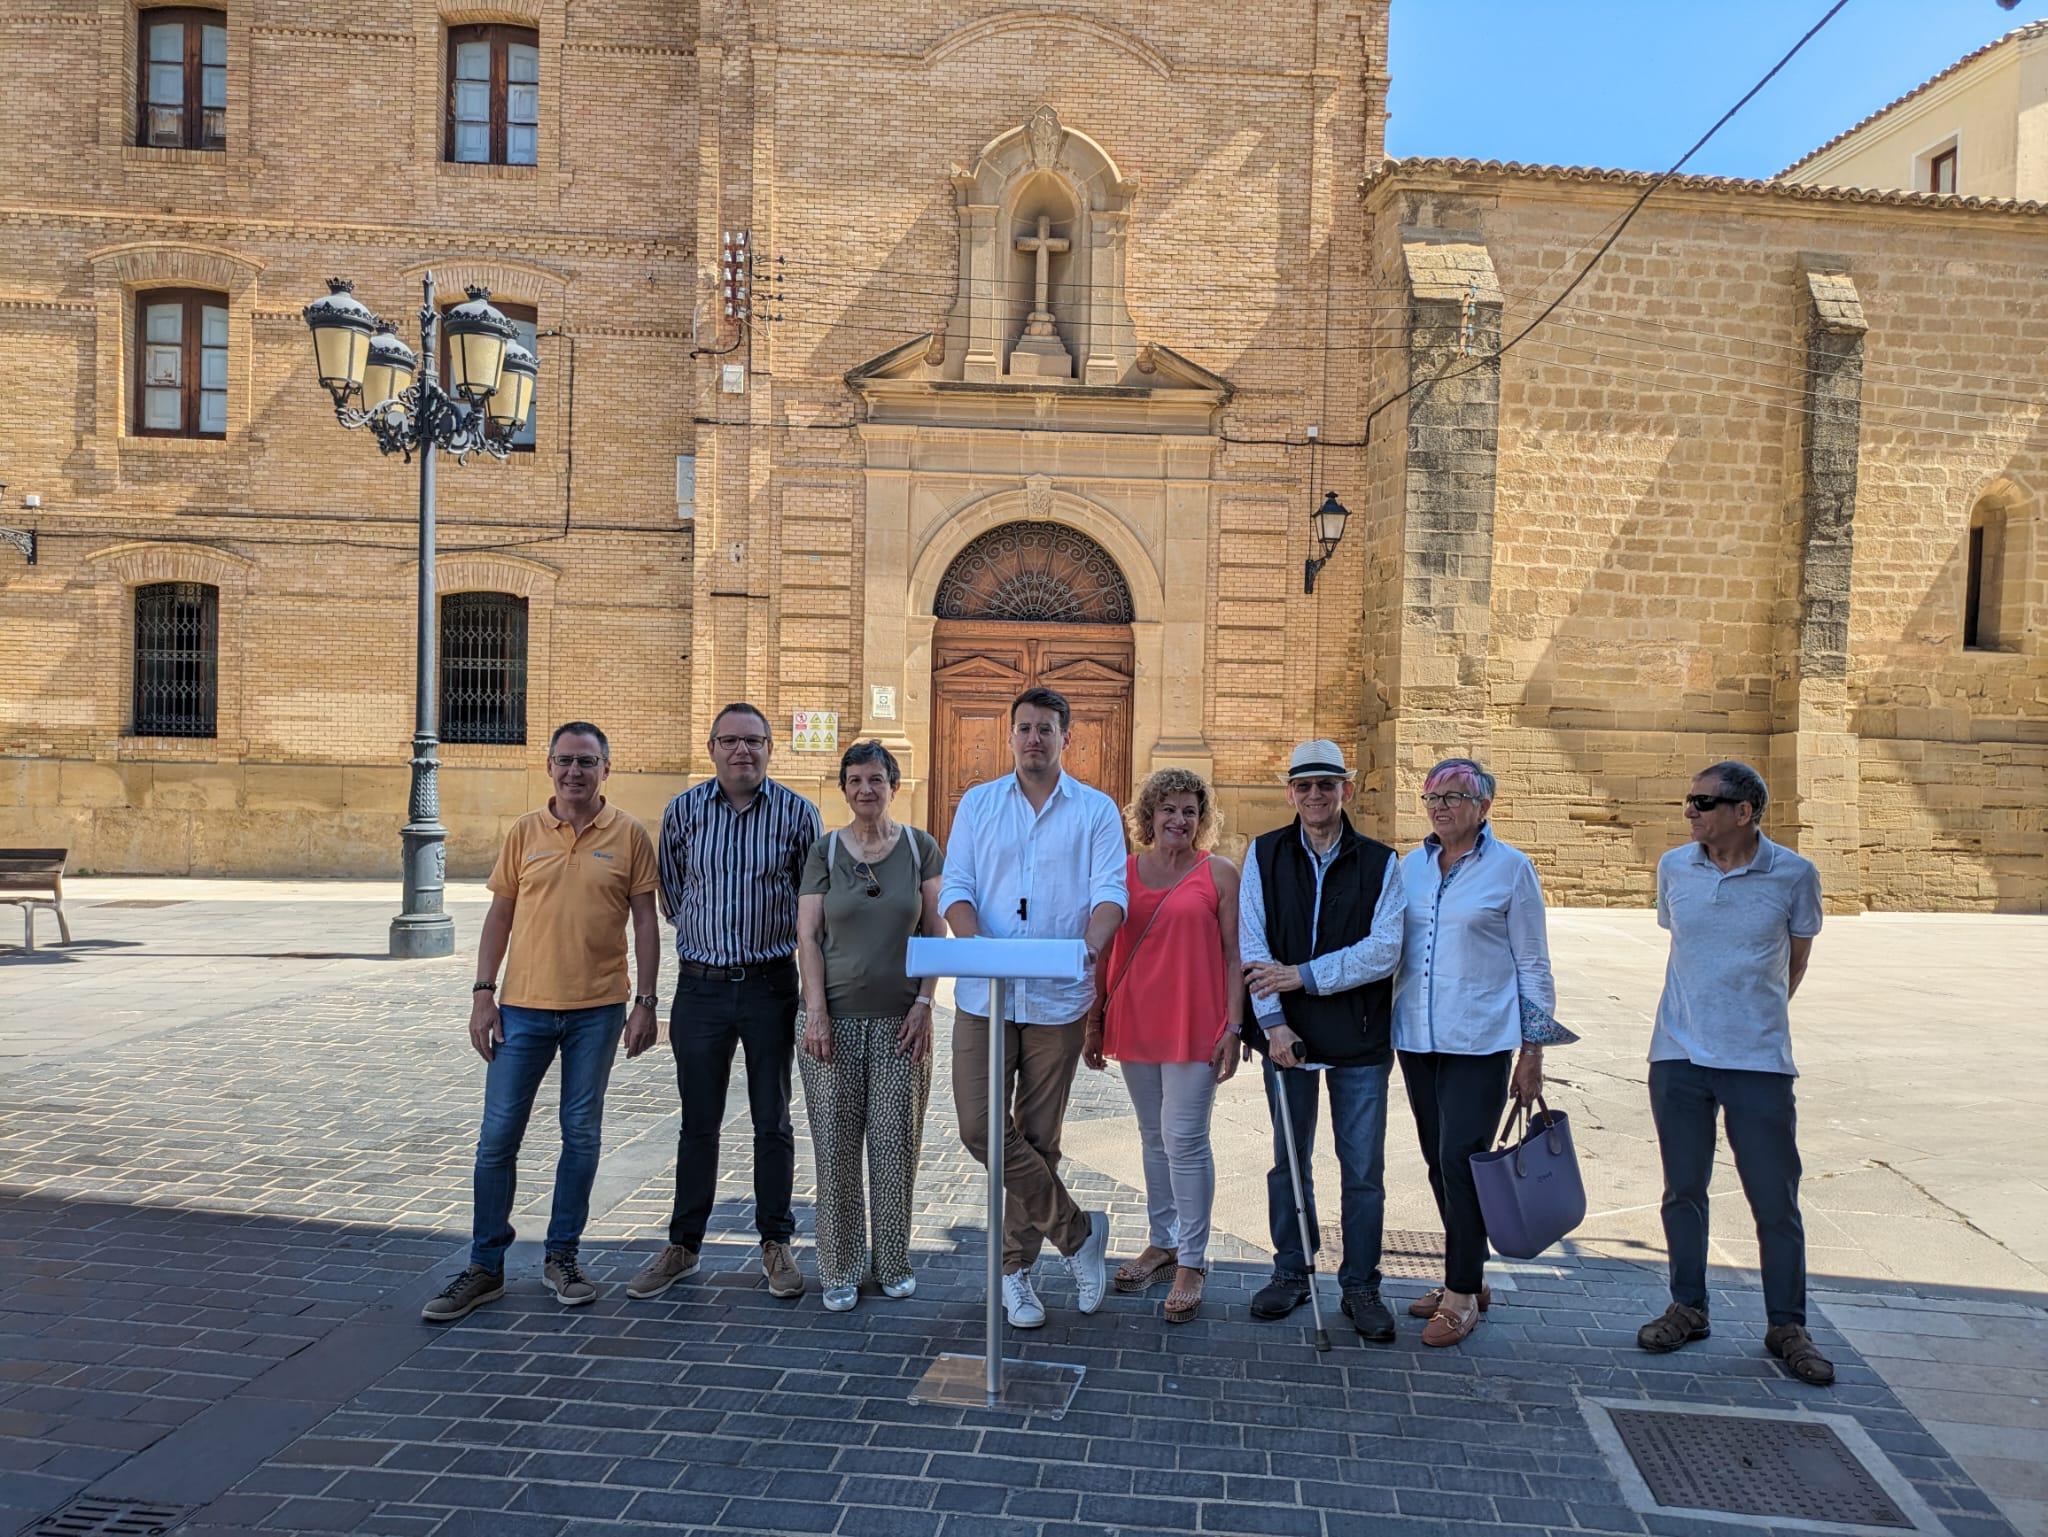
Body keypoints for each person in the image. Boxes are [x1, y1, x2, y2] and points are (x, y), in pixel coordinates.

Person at [424, 722, 661, 1322]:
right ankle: (485, 1266)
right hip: (522, 1011)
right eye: (564, 761)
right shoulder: (524, 833)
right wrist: (483, 994)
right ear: (549, 766)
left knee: (580, 1134)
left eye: (586, 761)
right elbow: (500, 917)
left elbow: (646, 925)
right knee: (497, 1139)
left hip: (599, 1011)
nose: (574, 772)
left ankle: (563, 1255)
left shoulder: (630, 835)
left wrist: (647, 1002)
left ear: (607, 769)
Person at [1637, 761, 1833, 1385]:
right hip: (1676, 1055)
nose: (1688, 811)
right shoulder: (1675, 868)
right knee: (1682, 1191)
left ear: (1744, 812)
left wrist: (1751, 1018)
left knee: (1775, 1198)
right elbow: (1682, 940)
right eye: (1688, 800)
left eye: (1702, 801)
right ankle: (1688, 1307)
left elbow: (1794, 963)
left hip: (1757, 1062)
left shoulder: (1794, 875)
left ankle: (1786, 1324)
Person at [939, 685, 1125, 1329]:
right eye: (1024, 728)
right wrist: (978, 945)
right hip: (984, 995)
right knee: (980, 1126)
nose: (1034, 739)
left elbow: (1109, 893)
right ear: (1009, 735)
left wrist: (1090, 948)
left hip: (1056, 998)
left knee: (1039, 1137)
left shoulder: (1096, 811)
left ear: (1065, 738)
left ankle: (1014, 1273)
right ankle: (1077, 1233)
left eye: (1046, 728)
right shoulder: (979, 804)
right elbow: (956, 886)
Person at [629, 703, 822, 1303]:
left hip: (769, 984)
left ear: (771, 748)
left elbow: (809, 902)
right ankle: (684, 1245)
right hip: (702, 987)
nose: (743, 751)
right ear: (712, 747)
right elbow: (675, 891)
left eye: (755, 741)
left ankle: (776, 1241)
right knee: (698, 1121)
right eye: (731, 741)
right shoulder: (683, 811)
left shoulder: (798, 814)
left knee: (774, 1119)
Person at [1240, 738, 1407, 1342]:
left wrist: (1306, 974)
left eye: (1326, 785)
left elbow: (1385, 951)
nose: (1315, 795)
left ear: (1347, 790)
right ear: (1290, 792)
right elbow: (1253, 948)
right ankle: (1291, 1270)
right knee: (1290, 1162)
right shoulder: (1262, 855)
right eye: (1304, 785)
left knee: (1362, 1169)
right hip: (1289, 1038)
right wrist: (1272, 1021)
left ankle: (1361, 1284)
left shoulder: (1382, 862)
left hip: (1360, 1040)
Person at [1391, 757, 1555, 1347]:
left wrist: (1532, 1049)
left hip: (1479, 1040)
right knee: (1438, 1161)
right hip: (1416, 1035)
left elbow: (1532, 962)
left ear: (1484, 806)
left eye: (1455, 796)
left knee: (1462, 1160)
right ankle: (1469, 1274)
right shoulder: (1409, 868)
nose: (1441, 806)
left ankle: (1461, 1294)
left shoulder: (1512, 870)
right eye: (1432, 795)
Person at [1083, 768, 1242, 1323]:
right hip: (1136, 1018)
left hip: (1197, 1022)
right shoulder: (1121, 873)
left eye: (1189, 811)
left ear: (1203, 819)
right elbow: (1103, 953)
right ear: (1149, 815)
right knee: (1153, 1137)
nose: (1178, 820)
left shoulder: (1219, 874)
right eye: (1168, 809)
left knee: (1185, 1139)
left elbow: (1233, 957)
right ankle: (1164, 1238)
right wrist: (1093, 1021)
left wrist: (1234, 1026)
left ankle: (1193, 1259)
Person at [795, 740, 945, 1312]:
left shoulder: (920, 847)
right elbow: (808, 934)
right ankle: (838, 1266)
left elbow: (936, 933)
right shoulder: (825, 849)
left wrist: (925, 1004)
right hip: (829, 1026)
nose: (865, 790)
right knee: (835, 1150)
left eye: (876, 780)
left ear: (894, 786)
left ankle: (892, 1260)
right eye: (855, 780)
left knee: (894, 1146)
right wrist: (815, 1012)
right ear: (844, 788)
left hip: (901, 1025)